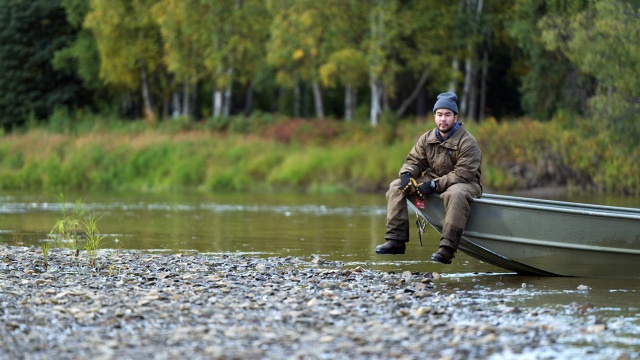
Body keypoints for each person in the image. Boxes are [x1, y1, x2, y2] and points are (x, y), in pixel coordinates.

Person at [375, 92, 482, 264]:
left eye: (447, 115)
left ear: (455, 117)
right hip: (436, 178)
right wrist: (407, 175)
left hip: (465, 183)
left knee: (454, 194)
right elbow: (414, 161)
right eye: (439, 115)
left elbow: (464, 173)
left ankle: (447, 248)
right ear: (434, 116)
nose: (443, 119)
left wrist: (433, 185)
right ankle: (395, 240)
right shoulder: (427, 138)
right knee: (396, 186)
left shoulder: (467, 142)